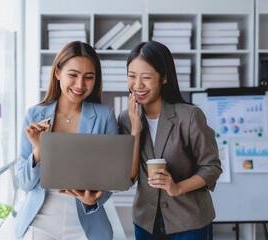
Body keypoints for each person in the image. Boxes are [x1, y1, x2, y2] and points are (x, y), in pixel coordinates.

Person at [118, 41, 222, 240]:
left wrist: (177, 188)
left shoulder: (189, 116)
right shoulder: (125, 119)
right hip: (146, 223)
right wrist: (136, 130)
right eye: (132, 76)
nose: (137, 85)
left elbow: (211, 168)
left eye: (146, 77)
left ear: (164, 77)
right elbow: (128, 177)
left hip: (190, 222)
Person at [15, 41, 118, 240]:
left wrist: (92, 200)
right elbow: (24, 183)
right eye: (73, 75)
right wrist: (39, 149)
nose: (80, 85)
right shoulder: (34, 115)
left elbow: (111, 179)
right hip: (39, 222)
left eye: (89, 77)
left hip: (86, 225)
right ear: (57, 73)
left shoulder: (105, 116)